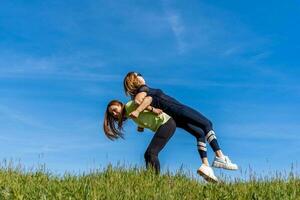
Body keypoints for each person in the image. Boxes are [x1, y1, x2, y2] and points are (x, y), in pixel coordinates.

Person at [123, 72, 238, 181]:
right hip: (177, 109)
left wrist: (141, 123)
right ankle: (220, 157)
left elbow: (141, 103)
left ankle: (206, 166)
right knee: (207, 123)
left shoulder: (142, 91)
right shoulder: (143, 89)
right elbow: (139, 101)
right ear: (134, 80)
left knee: (200, 133)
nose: (142, 76)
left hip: (174, 116)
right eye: (139, 75)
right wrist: (146, 109)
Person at [103, 99, 176, 176]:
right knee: (148, 154)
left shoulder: (129, 106)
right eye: (112, 113)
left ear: (120, 105)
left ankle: (155, 179)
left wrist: (153, 110)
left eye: (115, 110)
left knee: (151, 153)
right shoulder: (129, 113)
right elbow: (141, 113)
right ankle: (150, 178)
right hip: (165, 125)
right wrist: (140, 126)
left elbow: (140, 102)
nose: (114, 113)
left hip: (166, 123)